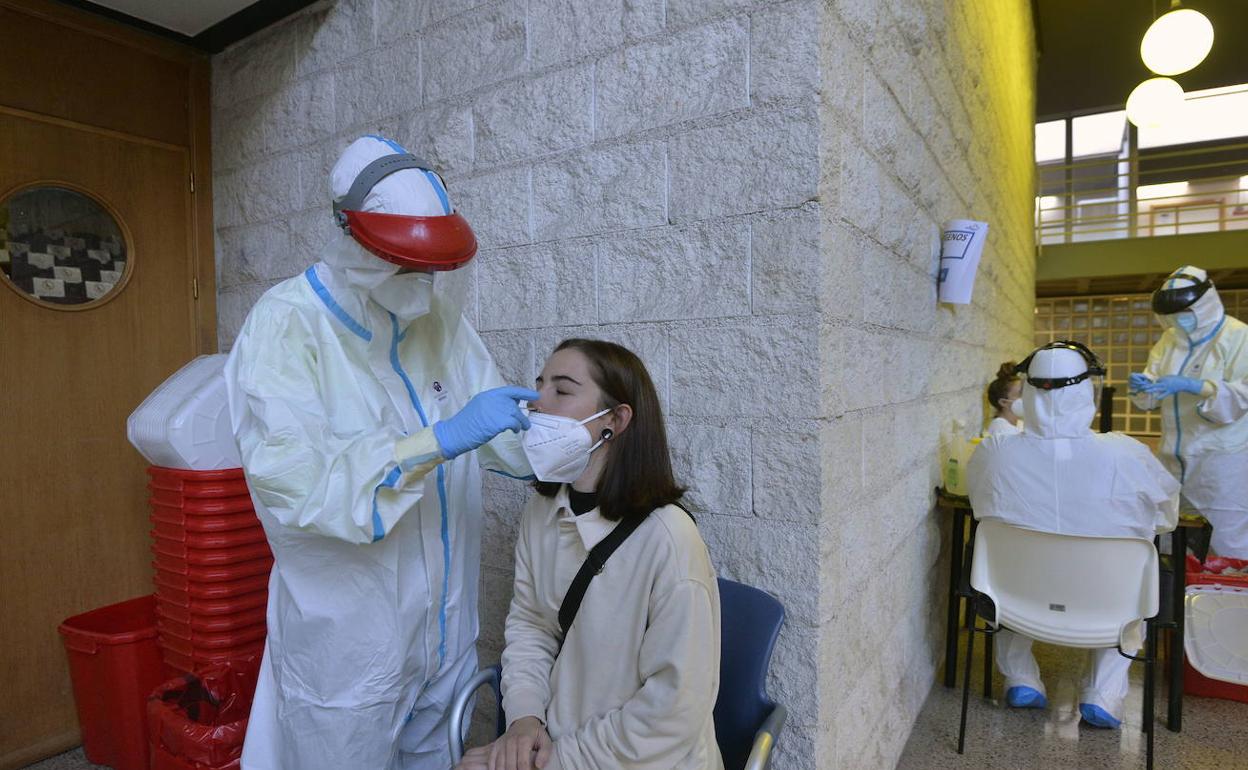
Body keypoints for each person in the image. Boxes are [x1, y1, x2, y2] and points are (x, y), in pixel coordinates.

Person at [225, 135, 537, 770]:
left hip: (445, 634)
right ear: (348, 239)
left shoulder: (438, 322)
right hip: (352, 652)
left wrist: (555, 440)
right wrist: (438, 441)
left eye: (433, 268)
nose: (423, 283)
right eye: (406, 265)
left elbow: (499, 434)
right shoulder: (287, 326)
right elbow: (300, 484)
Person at [457, 339, 723, 770]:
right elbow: (531, 625)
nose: (537, 403)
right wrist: (524, 720)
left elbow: (674, 710)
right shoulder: (541, 513)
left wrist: (555, 760)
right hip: (556, 739)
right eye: (538, 385)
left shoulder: (669, 539)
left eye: (562, 391)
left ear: (615, 420)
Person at [966, 340, 1179, 729]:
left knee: (1009, 569)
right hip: (1104, 602)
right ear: (1086, 392)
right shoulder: (1126, 455)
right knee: (1135, 580)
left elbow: (980, 506)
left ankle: (1021, 678)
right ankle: (1103, 694)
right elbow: (1167, 518)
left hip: (1020, 601)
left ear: (1028, 392)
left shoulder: (995, 452)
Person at [1129, 265, 1248, 559]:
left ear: (1205, 303)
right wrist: (1143, 387)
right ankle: (1178, 598)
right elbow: (1151, 395)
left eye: (1185, 312)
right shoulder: (1170, 341)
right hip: (1171, 458)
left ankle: (1226, 601)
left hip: (1220, 461)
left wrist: (1197, 386)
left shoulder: (1238, 337)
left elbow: (1244, 394)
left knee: (1226, 540)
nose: (1178, 320)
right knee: (1171, 536)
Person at [984, 360, 1023, 436]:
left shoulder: (1019, 424)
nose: (1027, 398)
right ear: (1003, 402)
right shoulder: (1000, 430)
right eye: (1020, 394)